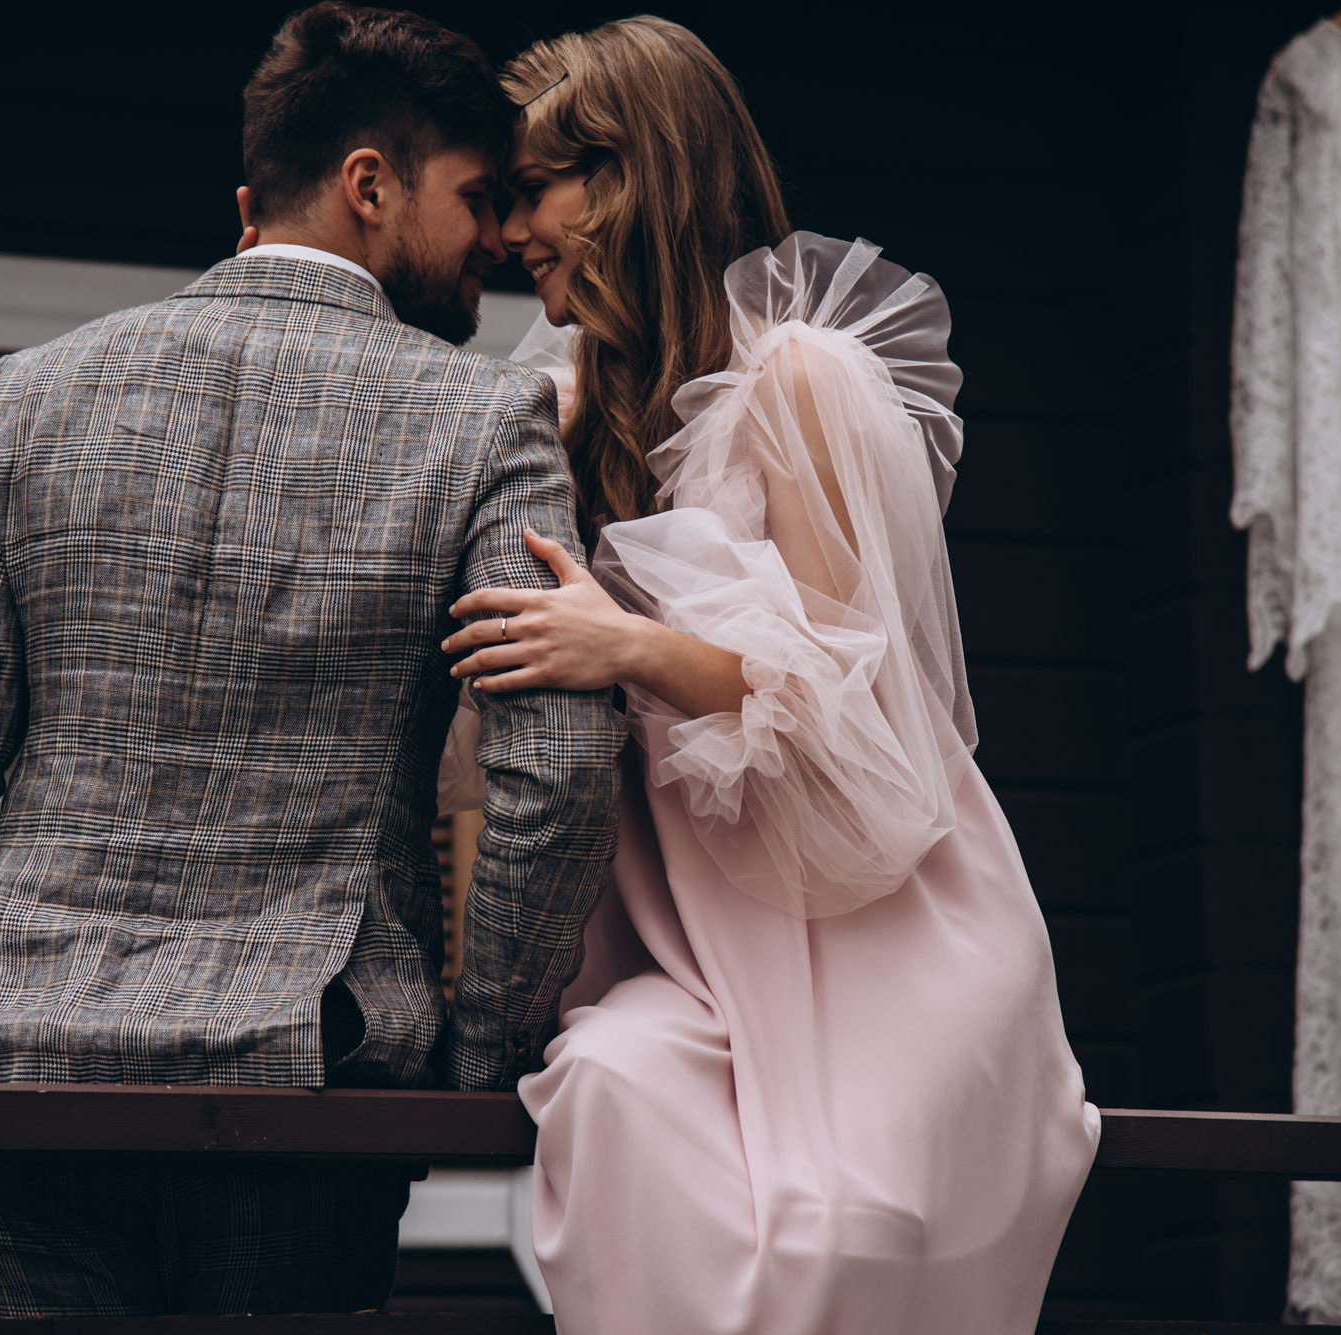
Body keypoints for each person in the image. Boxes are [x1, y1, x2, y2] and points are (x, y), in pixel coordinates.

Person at [0, 3, 620, 1318]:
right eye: (474, 197)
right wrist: (477, 1065)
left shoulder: (28, 394)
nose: (496, 239)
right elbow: (556, 775)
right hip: (300, 1086)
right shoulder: (486, 416)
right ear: (369, 187)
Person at [436, 17, 1101, 1334]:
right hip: (689, 947)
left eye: (530, 193)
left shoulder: (799, 380)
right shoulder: (554, 406)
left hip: (883, 924)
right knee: (616, 1088)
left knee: (850, 1224)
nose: (511, 233)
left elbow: (865, 704)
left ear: (625, 180)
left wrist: (633, 648)